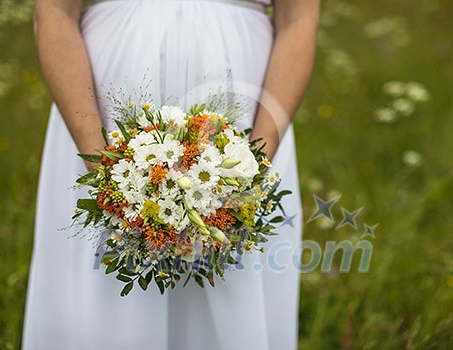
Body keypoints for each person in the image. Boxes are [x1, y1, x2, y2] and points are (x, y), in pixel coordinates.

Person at [22, 0, 319, 349]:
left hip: (247, 111)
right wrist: (105, 167)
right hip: (103, 105)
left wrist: (252, 164)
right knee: (105, 294)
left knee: (231, 285)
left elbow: (298, 19)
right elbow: (54, 12)